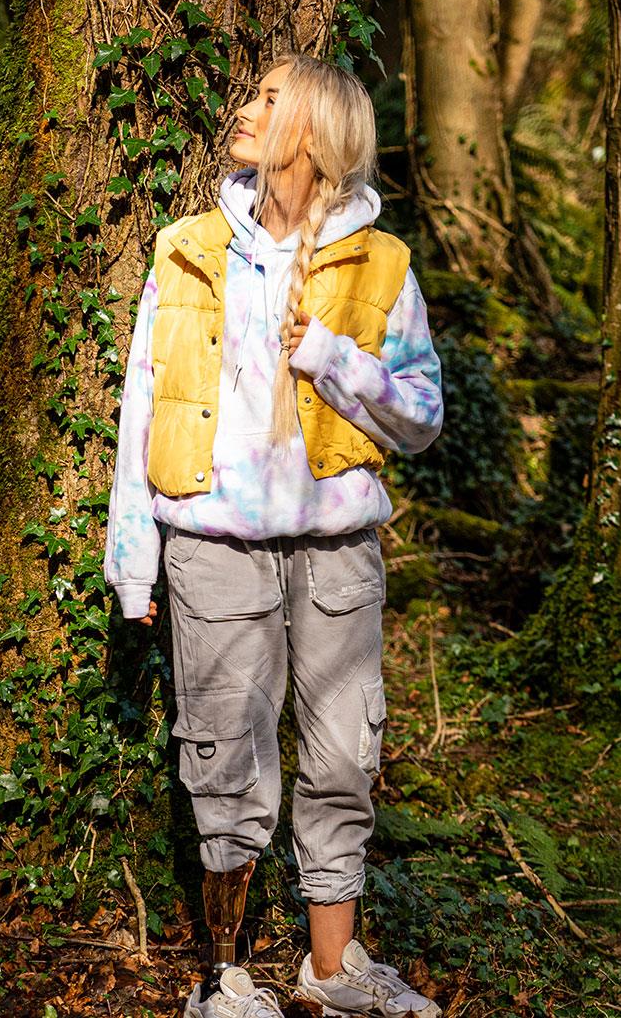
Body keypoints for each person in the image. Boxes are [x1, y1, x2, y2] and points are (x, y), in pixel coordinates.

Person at [104, 54, 446, 1018]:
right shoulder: (185, 251)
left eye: (266, 100)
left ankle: (333, 971)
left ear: (313, 132)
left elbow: (421, 415)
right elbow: (144, 410)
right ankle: (224, 982)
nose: (244, 111)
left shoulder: (380, 265)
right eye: (251, 92)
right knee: (226, 753)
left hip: (336, 546)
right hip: (211, 541)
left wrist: (331, 357)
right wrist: (133, 562)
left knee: (343, 752)